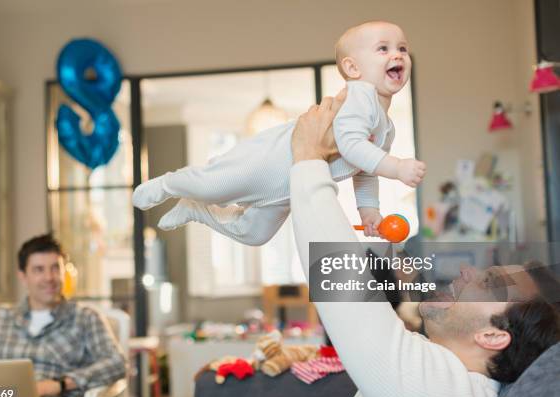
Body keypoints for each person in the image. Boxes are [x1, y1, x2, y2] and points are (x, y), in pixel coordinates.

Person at [289, 93, 560, 397]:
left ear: (493, 336)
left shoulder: (439, 391)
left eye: (489, 282)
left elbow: (342, 288)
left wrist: (308, 157)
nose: (465, 271)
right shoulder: (452, 380)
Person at [132, 20, 426, 246]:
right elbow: (350, 145)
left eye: (402, 48)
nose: (397, 54)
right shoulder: (359, 97)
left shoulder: (386, 128)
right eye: (383, 48)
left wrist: (369, 211)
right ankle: (168, 185)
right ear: (352, 68)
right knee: (211, 184)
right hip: (268, 162)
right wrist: (397, 167)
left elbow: (365, 170)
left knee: (254, 234)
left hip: (288, 188)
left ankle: (196, 211)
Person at [0, 234, 126, 397]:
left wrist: (61, 384)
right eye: (38, 269)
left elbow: (116, 362)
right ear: (23, 276)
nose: (49, 278)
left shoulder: (86, 318)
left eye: (55, 268)